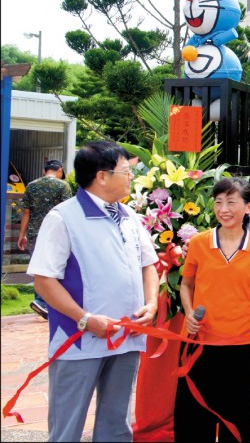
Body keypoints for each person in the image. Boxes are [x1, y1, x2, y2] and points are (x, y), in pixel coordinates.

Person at [26, 141, 159, 442]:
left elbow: (148, 265)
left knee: (116, 425)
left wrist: (150, 305)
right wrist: (85, 319)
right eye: (126, 172)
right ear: (102, 176)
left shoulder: (129, 217)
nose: (130, 178)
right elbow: (44, 281)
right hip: (78, 342)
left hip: (126, 337)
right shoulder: (63, 218)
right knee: (67, 426)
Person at [174, 177, 250, 442]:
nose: (223, 209)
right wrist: (190, 312)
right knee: (194, 419)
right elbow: (186, 285)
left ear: (248, 207)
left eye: (231, 202)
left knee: (234, 418)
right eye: (218, 202)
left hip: (238, 344)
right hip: (198, 342)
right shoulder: (199, 243)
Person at [18, 158, 72, 319]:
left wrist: (22, 235)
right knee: (56, 267)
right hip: (56, 233)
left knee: (39, 268)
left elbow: (26, 212)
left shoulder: (31, 186)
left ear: (44, 171)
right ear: (60, 170)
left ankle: (40, 301)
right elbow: (69, 211)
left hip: (35, 233)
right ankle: (47, 303)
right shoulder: (63, 186)